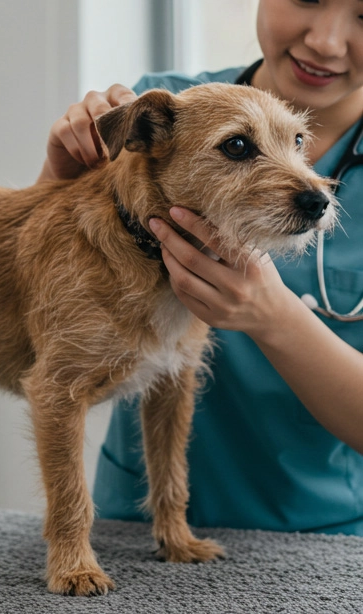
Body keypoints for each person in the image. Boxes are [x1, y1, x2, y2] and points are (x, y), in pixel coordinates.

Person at [37, 0, 363, 535]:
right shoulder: (159, 104)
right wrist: (58, 179)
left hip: (322, 536)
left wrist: (275, 319)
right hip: (131, 526)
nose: (327, 40)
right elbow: (41, 295)